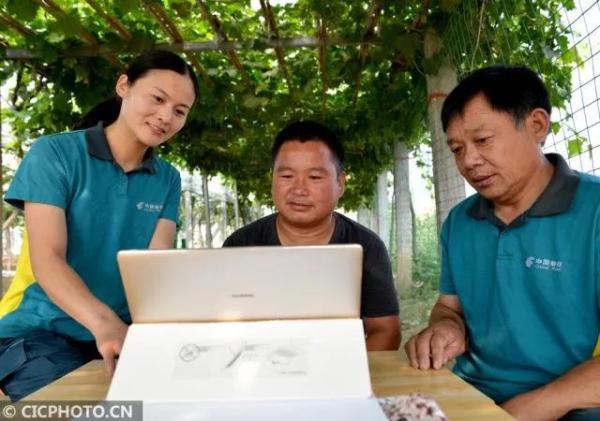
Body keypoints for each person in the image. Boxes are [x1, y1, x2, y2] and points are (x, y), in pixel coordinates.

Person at [0, 49, 199, 401]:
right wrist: (105, 324)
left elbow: (154, 271)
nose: (166, 116)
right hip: (41, 332)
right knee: (81, 409)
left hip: (123, 335)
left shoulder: (167, 178)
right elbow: (47, 258)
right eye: (157, 98)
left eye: (180, 111)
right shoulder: (54, 154)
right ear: (124, 86)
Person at [404, 65, 600, 420]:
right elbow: (449, 306)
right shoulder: (460, 222)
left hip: (574, 408)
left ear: (537, 125)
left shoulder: (594, 211)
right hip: (471, 398)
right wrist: (446, 326)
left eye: (482, 140)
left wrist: (526, 409)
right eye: (457, 148)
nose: (469, 161)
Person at [223, 120, 401, 351]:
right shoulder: (240, 246)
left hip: (339, 366)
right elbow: (222, 329)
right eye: (287, 176)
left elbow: (385, 331)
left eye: (315, 177)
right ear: (272, 179)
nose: (299, 189)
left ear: (340, 183)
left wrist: (345, 368)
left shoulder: (366, 246)